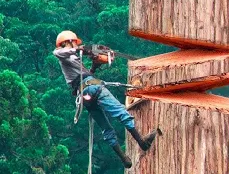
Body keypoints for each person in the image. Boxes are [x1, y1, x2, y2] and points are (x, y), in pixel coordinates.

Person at [53, 30, 158, 168]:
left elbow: (85, 75)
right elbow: (58, 52)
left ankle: (124, 159)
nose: (75, 44)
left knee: (106, 127)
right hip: (92, 88)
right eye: (73, 42)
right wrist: (84, 49)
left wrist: (94, 66)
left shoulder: (72, 59)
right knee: (120, 112)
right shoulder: (62, 54)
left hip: (86, 94)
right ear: (68, 41)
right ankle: (141, 142)